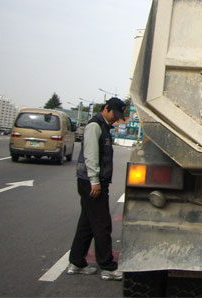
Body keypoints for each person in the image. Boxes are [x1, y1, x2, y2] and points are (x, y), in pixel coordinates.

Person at [65, 97, 126, 281]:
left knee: (87, 224)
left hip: (94, 182)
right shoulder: (95, 126)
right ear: (106, 108)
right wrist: (95, 181)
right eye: (114, 114)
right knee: (102, 224)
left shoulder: (104, 126)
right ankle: (107, 267)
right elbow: (90, 156)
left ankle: (76, 262)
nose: (116, 118)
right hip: (91, 183)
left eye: (118, 116)